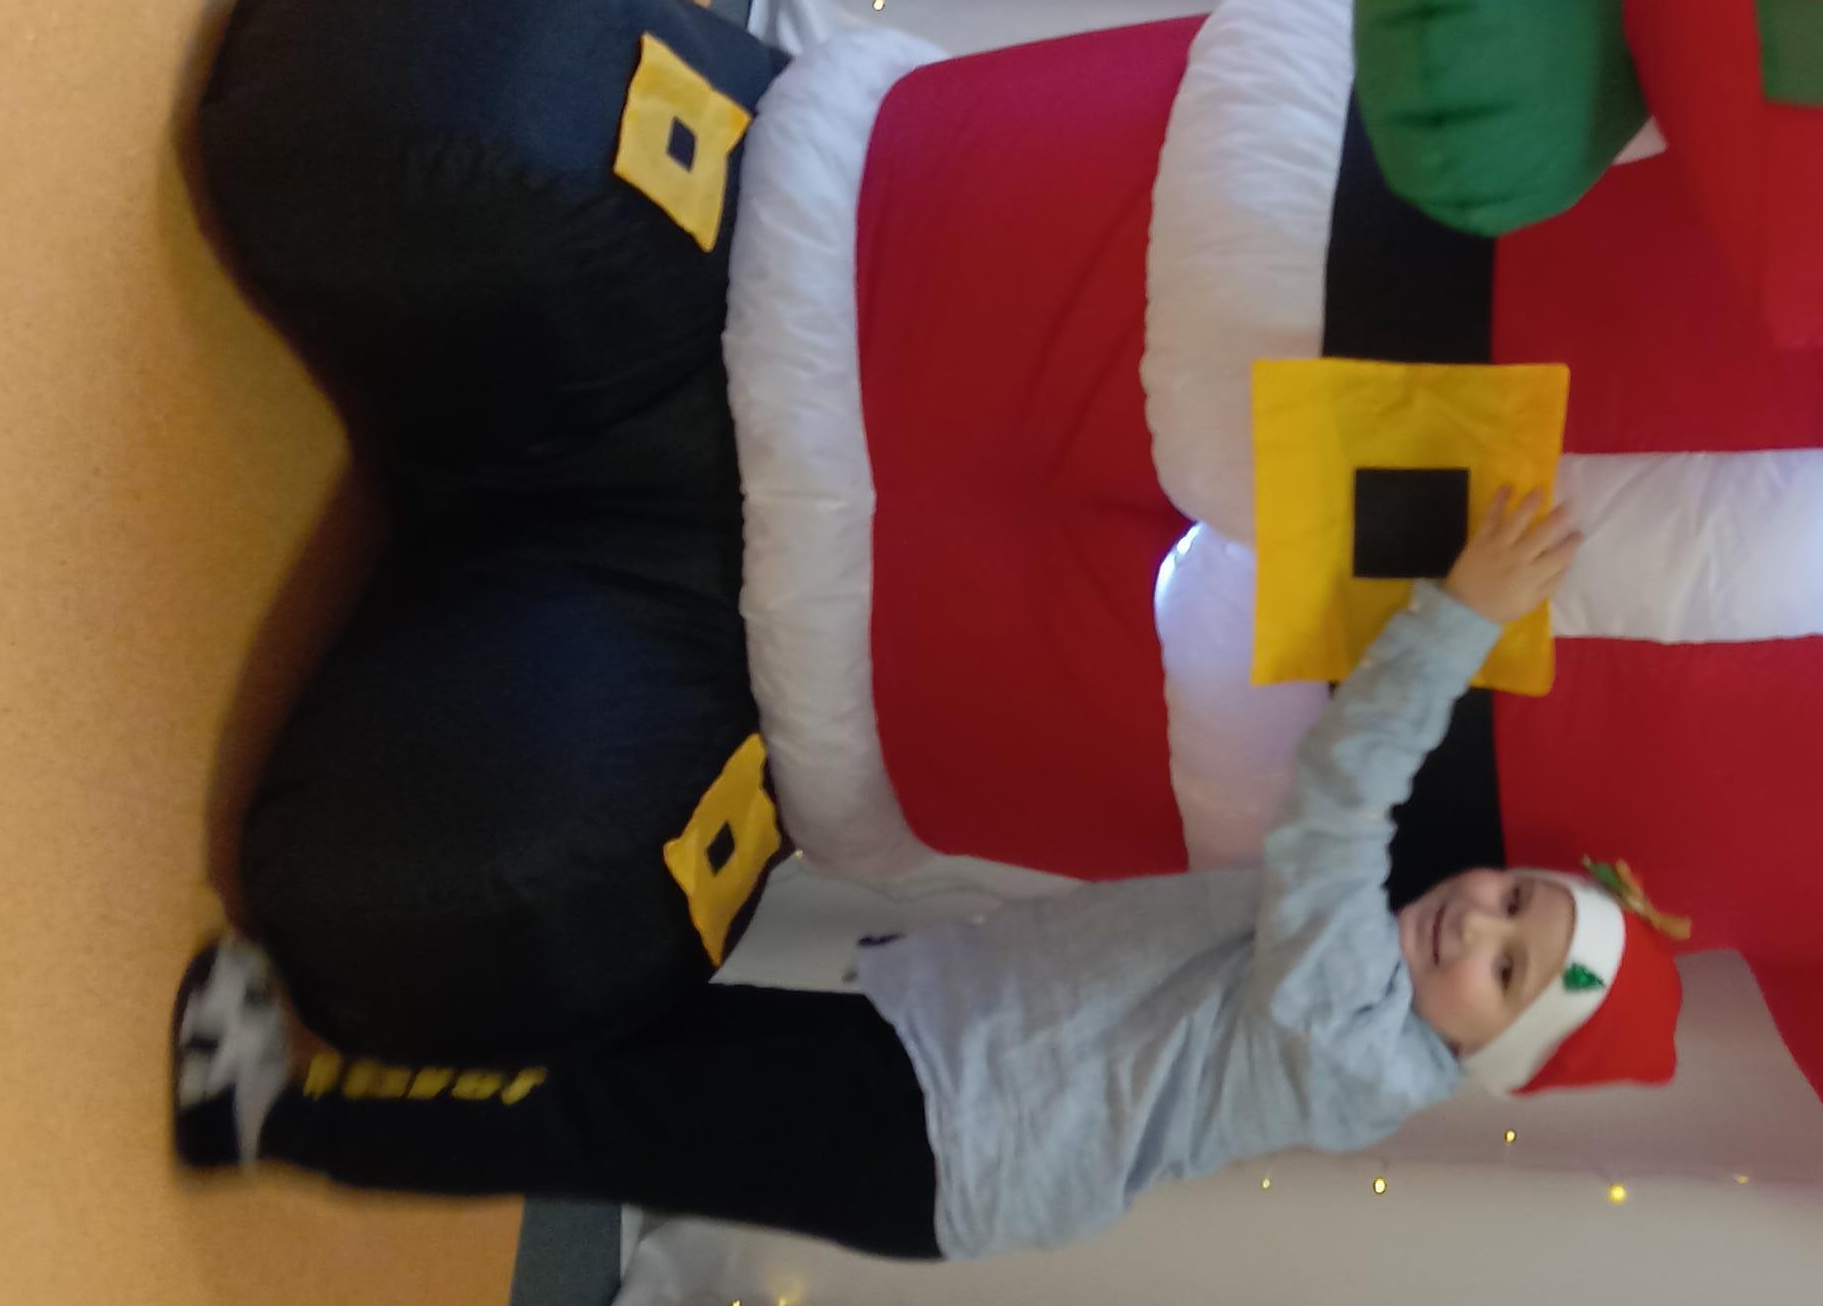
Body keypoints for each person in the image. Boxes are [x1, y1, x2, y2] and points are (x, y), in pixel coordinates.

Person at [170, 487, 1681, 1259]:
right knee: (646, 1045)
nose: (1475, 925)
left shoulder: (1359, 1040)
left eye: (1505, 971)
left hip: (943, 1139)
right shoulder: (1385, 994)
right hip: (946, 1085)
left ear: (1488, 1055)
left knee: (601, 1115)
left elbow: (1342, 806)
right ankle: (362, 1036)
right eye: (1513, 900)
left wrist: (1456, 617)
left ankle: (272, 1120)